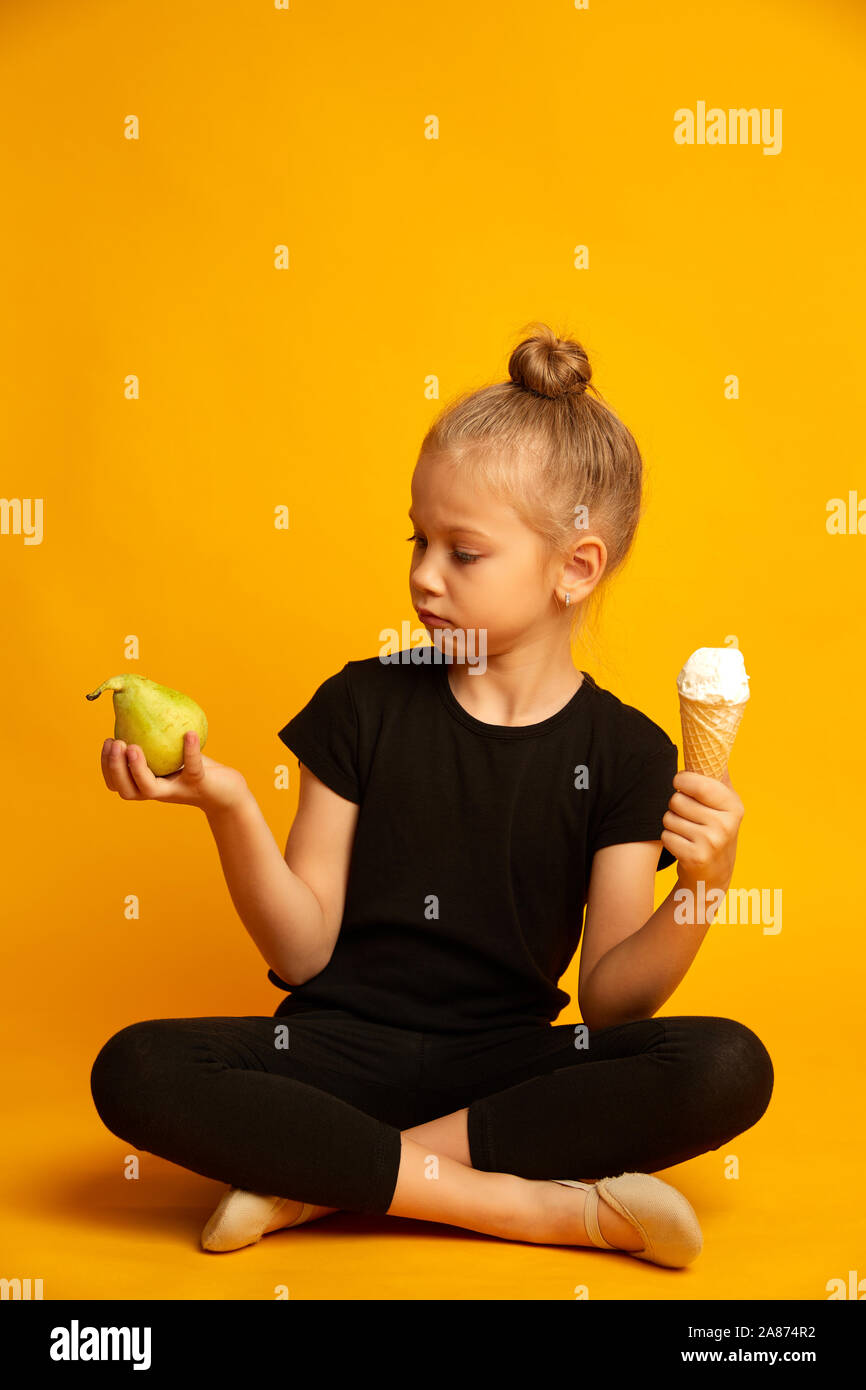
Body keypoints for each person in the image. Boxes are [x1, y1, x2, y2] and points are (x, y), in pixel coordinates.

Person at [90, 322, 773, 1268]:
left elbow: (613, 1008)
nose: (421, 575)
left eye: (464, 552)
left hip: (504, 1074)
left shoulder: (626, 752)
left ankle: (314, 1187)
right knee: (136, 1066)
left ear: (574, 568)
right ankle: (538, 1212)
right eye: (418, 539)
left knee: (727, 1064)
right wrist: (229, 805)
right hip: (331, 1062)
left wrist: (708, 880)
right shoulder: (361, 705)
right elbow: (301, 951)